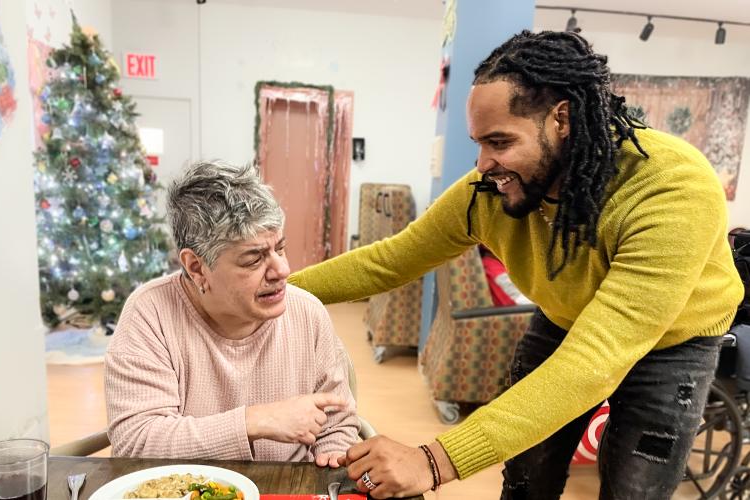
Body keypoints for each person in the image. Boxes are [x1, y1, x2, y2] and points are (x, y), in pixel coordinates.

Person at [289, 30, 744, 499]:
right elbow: (390, 260)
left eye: (500, 141)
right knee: (527, 478)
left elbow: (596, 360)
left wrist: (433, 461)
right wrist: (276, 289)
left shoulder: (672, 188)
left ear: (561, 119)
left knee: (635, 491)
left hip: (673, 345)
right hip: (564, 318)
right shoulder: (488, 190)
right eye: (479, 143)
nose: (484, 163)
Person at [105, 160, 359, 465]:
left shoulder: (307, 312)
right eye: (254, 259)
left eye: (280, 248)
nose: (283, 270)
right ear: (196, 268)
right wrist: (256, 421)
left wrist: (332, 456)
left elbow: (337, 423)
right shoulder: (150, 314)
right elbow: (136, 443)